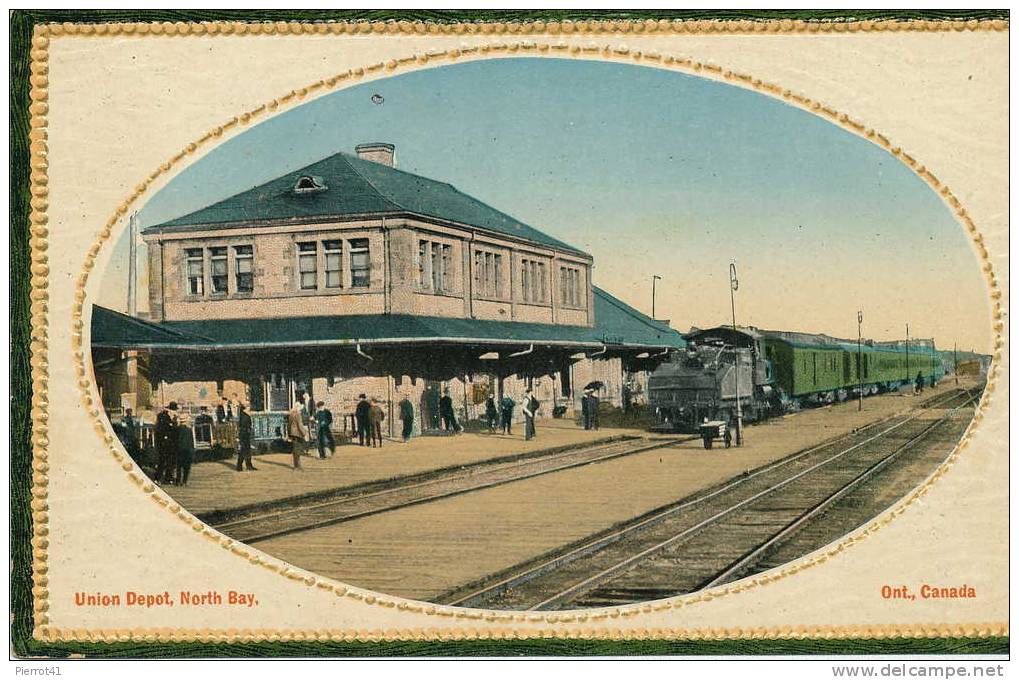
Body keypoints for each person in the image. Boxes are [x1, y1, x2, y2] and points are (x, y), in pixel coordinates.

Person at [154, 402, 178, 483]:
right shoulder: (164, 417)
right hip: (164, 442)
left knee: (169, 461)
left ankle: (167, 477)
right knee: (163, 461)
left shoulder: (169, 417)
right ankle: (158, 478)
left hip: (169, 443)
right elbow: (164, 430)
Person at [175, 414, 195, 486]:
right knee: (186, 467)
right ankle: (184, 481)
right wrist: (192, 450)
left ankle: (178, 481)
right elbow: (191, 441)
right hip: (187, 450)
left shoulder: (177, 429)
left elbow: (175, 440)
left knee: (179, 466)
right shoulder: (189, 430)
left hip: (179, 449)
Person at [236, 403, 256, 471]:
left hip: (244, 434)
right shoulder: (245, 416)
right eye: (248, 406)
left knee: (245, 450)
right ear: (246, 408)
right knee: (245, 450)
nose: (250, 408)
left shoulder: (244, 415)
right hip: (244, 435)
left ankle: (245, 465)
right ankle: (243, 466)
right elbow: (244, 427)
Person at [287, 403, 307, 469]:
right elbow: (300, 425)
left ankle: (296, 465)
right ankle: (298, 465)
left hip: (292, 434)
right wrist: (304, 433)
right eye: (300, 408)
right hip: (298, 434)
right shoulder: (298, 415)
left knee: (295, 449)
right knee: (298, 449)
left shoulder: (291, 414)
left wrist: (289, 434)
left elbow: (289, 425)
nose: (300, 410)